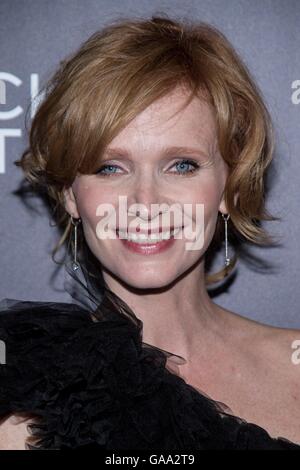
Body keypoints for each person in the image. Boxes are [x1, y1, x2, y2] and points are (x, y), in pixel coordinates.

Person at [0, 14, 299, 450]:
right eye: (109, 167)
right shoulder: (25, 400)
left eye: (181, 165)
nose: (144, 202)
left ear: (229, 186)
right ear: (70, 194)